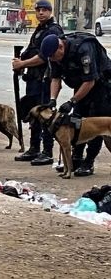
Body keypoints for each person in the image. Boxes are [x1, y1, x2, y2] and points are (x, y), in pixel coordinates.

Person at [40, 32, 111, 176]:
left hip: (102, 84)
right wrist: (53, 98)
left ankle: (88, 162)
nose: (53, 60)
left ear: (61, 47)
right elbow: (55, 78)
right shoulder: (54, 55)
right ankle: (75, 160)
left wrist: (72, 101)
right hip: (82, 85)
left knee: (95, 123)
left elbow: (90, 81)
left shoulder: (84, 48)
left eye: (54, 56)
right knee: (77, 120)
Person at [12, 0, 63, 166]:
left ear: (50, 12)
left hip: (45, 79)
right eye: (38, 10)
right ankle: (34, 147)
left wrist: (23, 64)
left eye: (44, 10)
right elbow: (31, 51)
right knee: (34, 114)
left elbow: (43, 57)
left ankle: (47, 151)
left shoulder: (53, 30)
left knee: (45, 114)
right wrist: (20, 62)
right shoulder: (40, 30)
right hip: (34, 78)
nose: (41, 12)